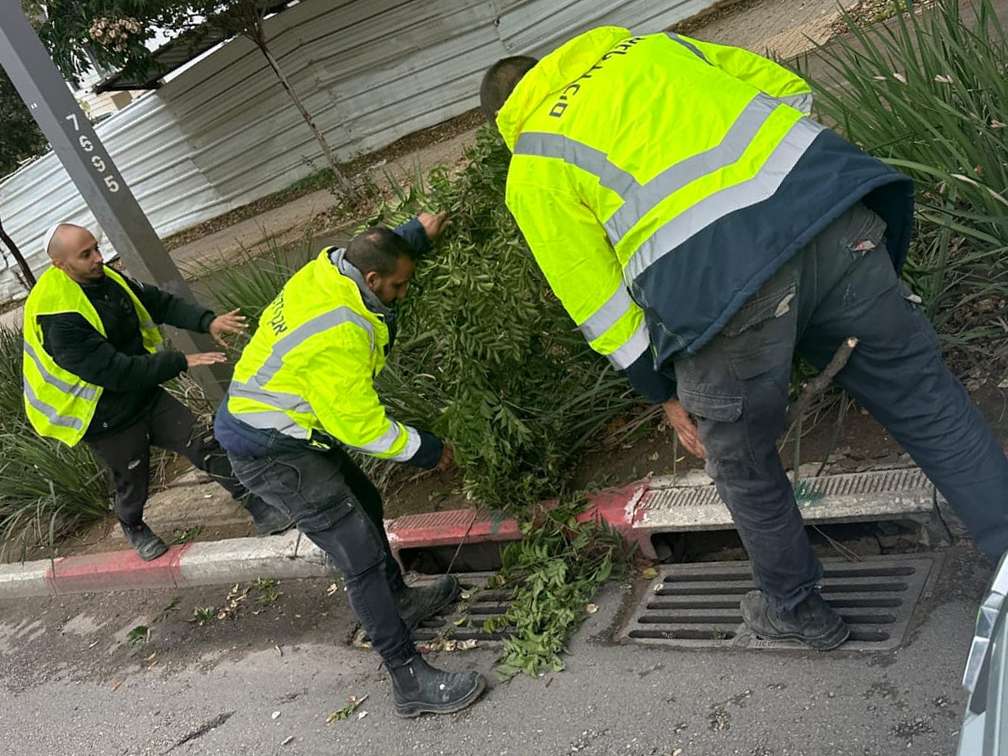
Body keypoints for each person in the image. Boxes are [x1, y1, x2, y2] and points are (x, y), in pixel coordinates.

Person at [480, 28, 1008, 650]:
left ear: (505, 119)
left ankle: (795, 607)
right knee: (927, 403)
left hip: (723, 301)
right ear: (550, 63)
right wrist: (782, 204)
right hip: (834, 220)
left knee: (740, 461)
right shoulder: (655, 50)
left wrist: (661, 392)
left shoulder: (536, 163)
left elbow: (597, 303)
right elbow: (789, 89)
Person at [213, 213, 487, 717]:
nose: (402, 295)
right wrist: (428, 449)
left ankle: (400, 600)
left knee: (367, 500)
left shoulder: (331, 268)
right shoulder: (337, 333)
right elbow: (362, 428)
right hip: (271, 449)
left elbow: (369, 250)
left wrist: (412, 235)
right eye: (398, 287)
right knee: (356, 553)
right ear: (373, 282)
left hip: (290, 423)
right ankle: (407, 677)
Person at [22, 223, 291, 560]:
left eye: (96, 248)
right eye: (86, 254)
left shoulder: (106, 278)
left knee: (202, 441)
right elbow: (113, 371)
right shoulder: (58, 316)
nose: (99, 259)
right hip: (102, 414)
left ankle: (257, 504)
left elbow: (157, 302)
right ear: (59, 265)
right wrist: (180, 360)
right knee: (133, 480)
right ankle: (133, 525)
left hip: (143, 393)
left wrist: (206, 321)